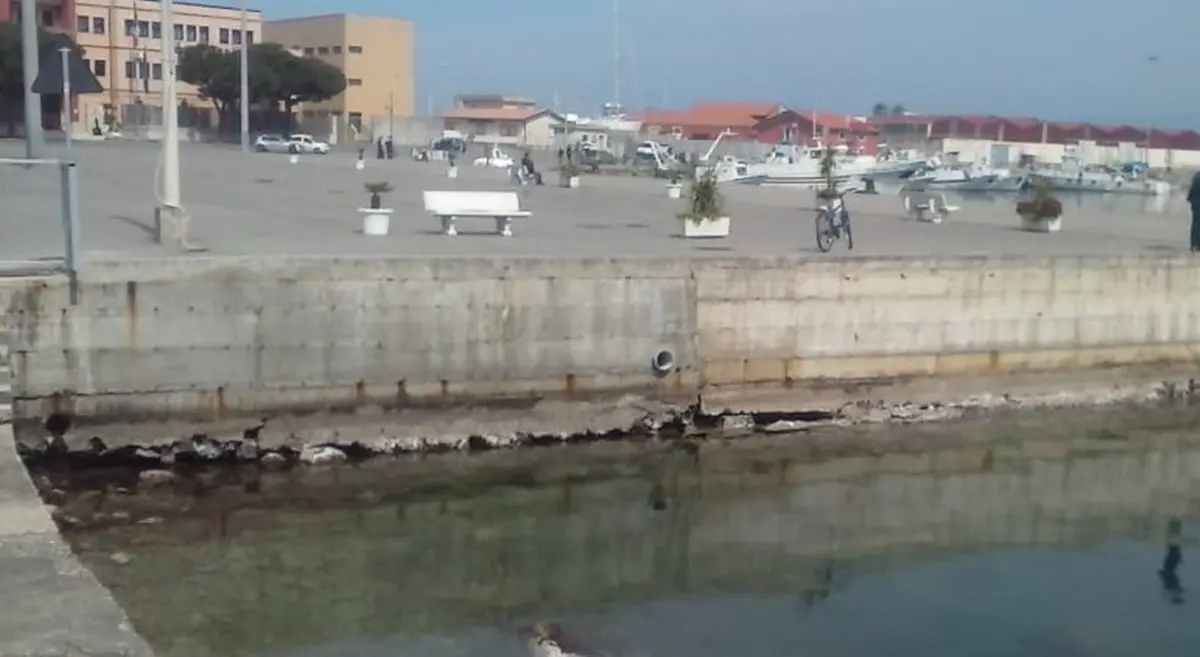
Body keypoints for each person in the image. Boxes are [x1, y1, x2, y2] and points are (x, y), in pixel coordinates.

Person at [1189, 172, 1200, 251]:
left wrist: (1190, 199)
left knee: (1195, 224)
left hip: (1195, 203)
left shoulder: (1196, 176)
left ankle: (1194, 244)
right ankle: (1196, 244)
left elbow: (1192, 190)